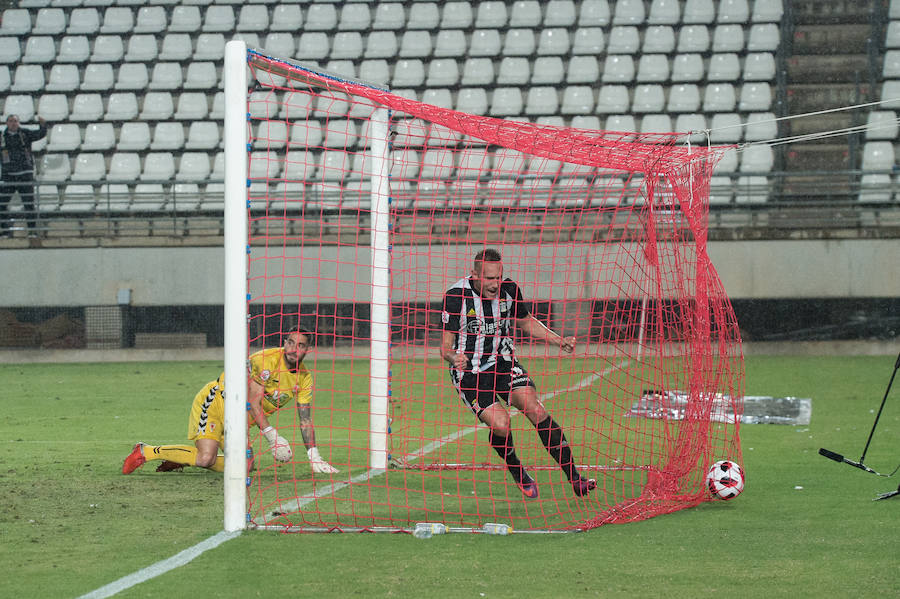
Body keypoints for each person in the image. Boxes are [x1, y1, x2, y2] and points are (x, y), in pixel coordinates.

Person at [440, 248, 596, 499]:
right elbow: (444, 347)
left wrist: (558, 341)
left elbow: (525, 321)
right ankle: (516, 469)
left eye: (498, 277)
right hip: (470, 372)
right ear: (475, 275)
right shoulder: (455, 296)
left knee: (535, 409)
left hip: (504, 362)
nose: (495, 284)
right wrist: (453, 356)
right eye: (489, 278)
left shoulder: (510, 289)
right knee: (501, 425)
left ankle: (575, 477)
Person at [122, 327, 339, 475]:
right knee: (206, 459)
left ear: (308, 349)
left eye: (300, 345)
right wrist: (273, 437)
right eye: (290, 342)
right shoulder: (266, 361)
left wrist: (314, 455)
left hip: (238, 420)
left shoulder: (304, 378)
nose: (294, 349)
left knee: (245, 467)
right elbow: (253, 402)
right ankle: (145, 451)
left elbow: (305, 419)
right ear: (285, 342)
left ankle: (183, 457)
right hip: (217, 404)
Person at [0, 114, 48, 237]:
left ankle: (32, 231)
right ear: (6, 123)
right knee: (1, 204)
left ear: (18, 122)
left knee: (29, 204)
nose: (13, 123)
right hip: (8, 176)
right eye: (10, 121)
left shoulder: (25, 134)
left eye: (15, 121)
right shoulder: (1, 137)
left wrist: (43, 125)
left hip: (25, 175)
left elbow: (40, 134)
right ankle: (6, 230)